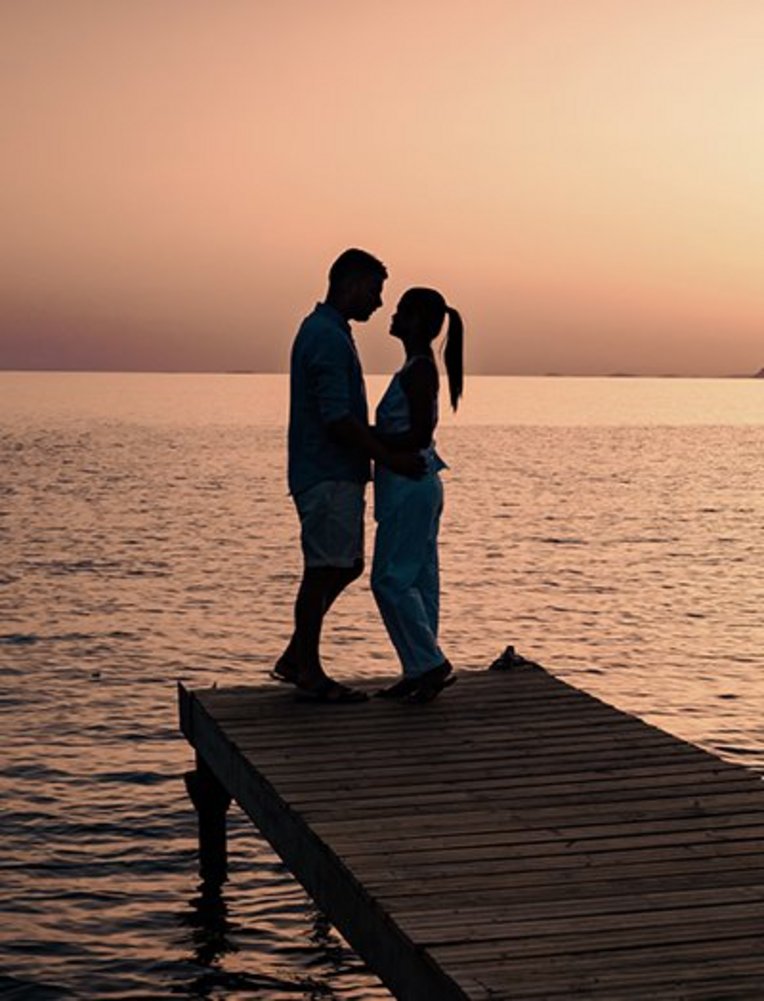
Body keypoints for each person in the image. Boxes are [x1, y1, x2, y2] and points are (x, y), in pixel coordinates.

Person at [273, 249, 424, 703]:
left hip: (331, 469)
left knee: (344, 565)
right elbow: (337, 418)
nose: (378, 303)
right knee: (324, 570)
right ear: (352, 283)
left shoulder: (329, 332)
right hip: (327, 471)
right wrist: (389, 458)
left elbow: (341, 416)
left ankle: (297, 656)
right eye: (374, 291)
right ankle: (306, 668)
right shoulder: (327, 337)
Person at [371, 287, 464, 703]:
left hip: (411, 485)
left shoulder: (419, 370)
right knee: (419, 578)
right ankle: (418, 668)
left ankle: (429, 663)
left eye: (401, 311)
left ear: (418, 322)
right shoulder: (416, 366)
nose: (392, 316)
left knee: (390, 579)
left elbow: (420, 433)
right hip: (414, 484)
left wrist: (368, 439)